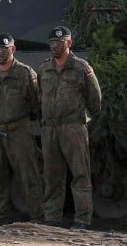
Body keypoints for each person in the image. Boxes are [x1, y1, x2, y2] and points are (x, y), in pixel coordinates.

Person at [37, 25, 101, 230]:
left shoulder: (81, 68)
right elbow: (40, 96)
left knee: (80, 174)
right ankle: (52, 217)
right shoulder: (44, 69)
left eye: (59, 42)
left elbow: (95, 99)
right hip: (50, 129)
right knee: (52, 175)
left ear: (69, 43)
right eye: (52, 43)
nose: (55, 46)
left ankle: (82, 219)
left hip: (73, 127)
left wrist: (82, 118)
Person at [0, 33, 42, 225]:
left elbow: (35, 102)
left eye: (4, 49)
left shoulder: (25, 73)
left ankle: (37, 215)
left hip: (18, 131)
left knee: (28, 174)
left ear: (12, 50)